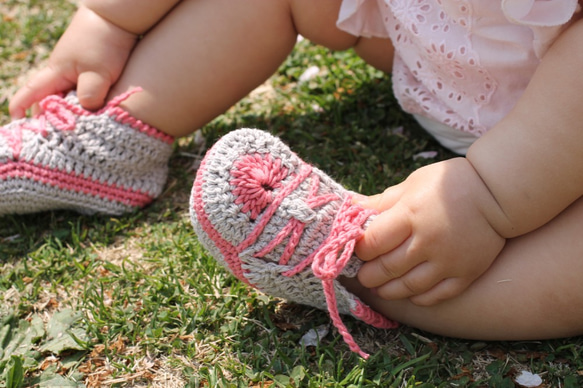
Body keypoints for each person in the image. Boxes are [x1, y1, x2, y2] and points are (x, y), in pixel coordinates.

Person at [3, 0, 583, 356]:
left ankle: (375, 271)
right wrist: (110, 16)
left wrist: (486, 195)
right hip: (451, 53)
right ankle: (113, 139)